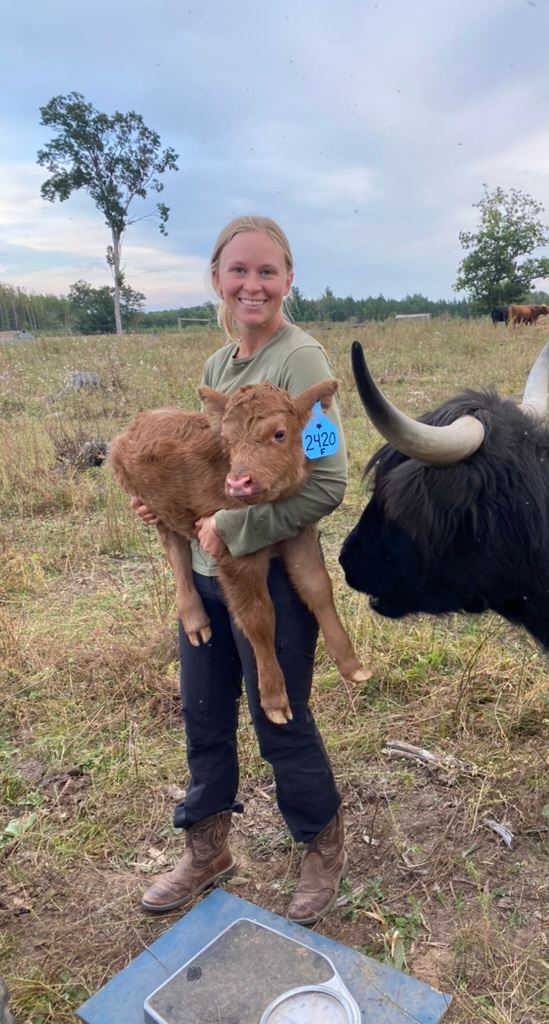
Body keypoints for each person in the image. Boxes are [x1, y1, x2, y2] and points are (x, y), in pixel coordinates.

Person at [133, 215, 348, 925]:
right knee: (203, 715)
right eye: (238, 271)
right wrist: (166, 506)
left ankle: (320, 844)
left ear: (288, 280)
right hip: (205, 574)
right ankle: (207, 849)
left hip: (270, 582)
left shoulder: (300, 361)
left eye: (267, 271)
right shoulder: (217, 370)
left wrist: (230, 527)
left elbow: (326, 485)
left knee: (277, 715)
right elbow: (207, 472)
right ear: (217, 279)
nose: (252, 284)